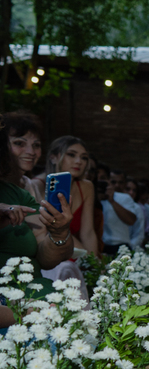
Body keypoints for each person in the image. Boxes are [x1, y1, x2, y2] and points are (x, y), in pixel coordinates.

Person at [0, 112, 75, 318]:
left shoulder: (19, 193)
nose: (30, 152)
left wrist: (59, 232)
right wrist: (29, 312)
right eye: (18, 143)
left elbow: (46, 257)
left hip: (36, 292)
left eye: (36, 145)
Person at [33, 135, 100, 257]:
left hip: (77, 254)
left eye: (84, 158)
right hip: (48, 254)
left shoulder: (86, 187)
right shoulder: (36, 185)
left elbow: (88, 232)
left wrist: (94, 264)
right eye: (71, 154)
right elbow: (40, 234)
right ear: (53, 158)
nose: (79, 161)